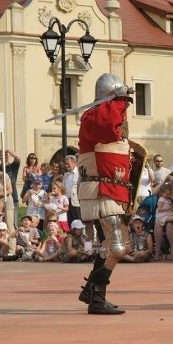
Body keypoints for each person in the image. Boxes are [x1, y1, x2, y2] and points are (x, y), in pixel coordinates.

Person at [76, 73, 134, 315]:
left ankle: (91, 291)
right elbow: (107, 126)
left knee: (111, 245)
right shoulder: (94, 118)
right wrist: (119, 100)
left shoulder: (105, 118)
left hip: (112, 191)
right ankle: (96, 297)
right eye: (121, 102)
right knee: (117, 247)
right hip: (102, 191)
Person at [0, 148, 21, 228]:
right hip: (0, 199)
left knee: (13, 223)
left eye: (6, 153)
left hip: (13, 197)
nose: (5, 154)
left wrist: (8, 149)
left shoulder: (13, 166)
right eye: (2, 153)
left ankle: (14, 240)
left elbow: (17, 157)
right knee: (1, 223)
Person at [63, 155, 81, 224]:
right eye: (66, 164)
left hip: (76, 200)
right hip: (67, 200)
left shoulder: (79, 173)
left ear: (74, 163)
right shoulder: (65, 175)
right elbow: (63, 187)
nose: (66, 165)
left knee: (77, 221)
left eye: (68, 164)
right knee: (69, 221)